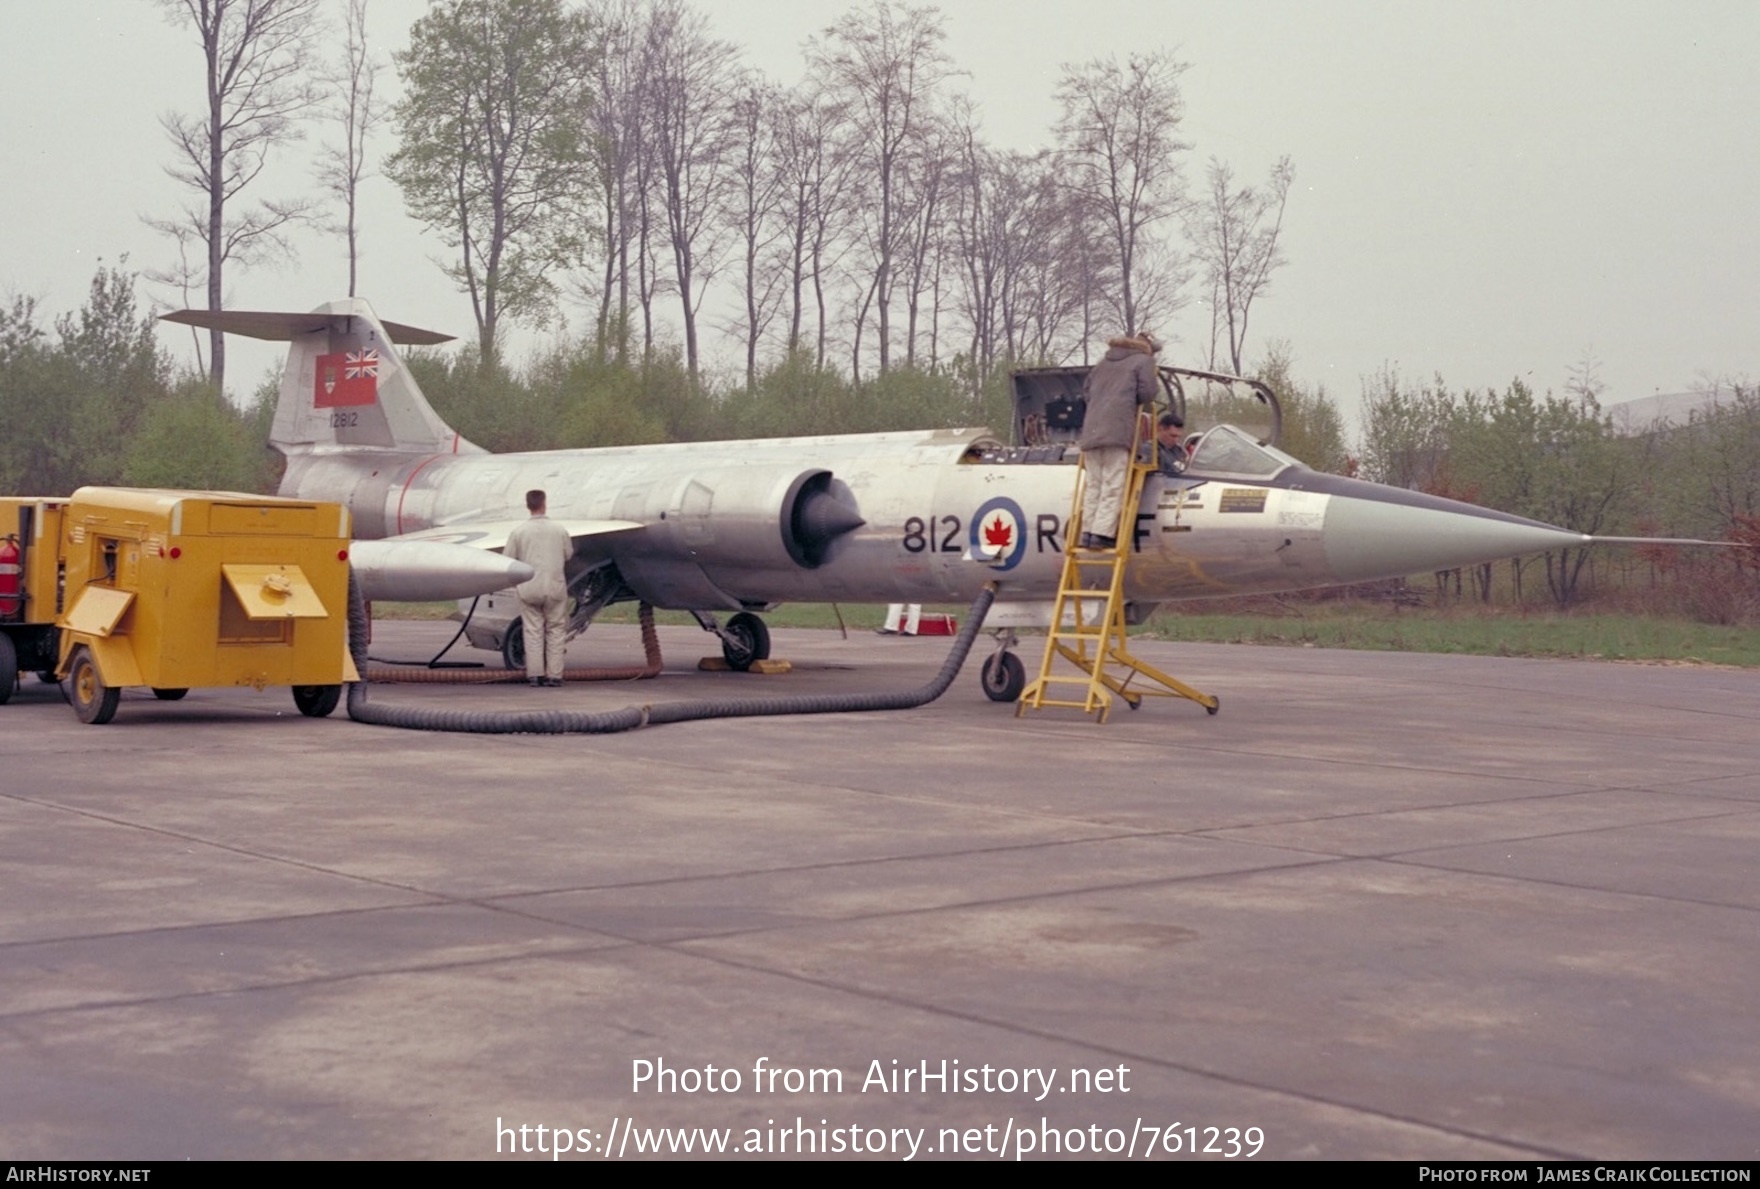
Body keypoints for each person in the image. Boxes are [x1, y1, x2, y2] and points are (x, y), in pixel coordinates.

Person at [1078, 331, 1161, 548]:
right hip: (1118, 431)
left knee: (1094, 484)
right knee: (1113, 483)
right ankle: (1101, 534)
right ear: (1149, 348)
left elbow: (1086, 392)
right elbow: (1147, 393)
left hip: (1091, 432)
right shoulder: (1144, 361)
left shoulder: (1103, 362)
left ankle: (1085, 532)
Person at [503, 489, 574, 687]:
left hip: (529, 587)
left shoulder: (518, 532)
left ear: (528, 506)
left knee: (533, 629)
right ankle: (555, 675)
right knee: (556, 629)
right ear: (544, 503)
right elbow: (568, 554)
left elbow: (508, 558)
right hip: (554, 586)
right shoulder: (559, 529)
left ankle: (535, 674)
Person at [1155, 410, 1187, 476]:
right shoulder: (1151, 451)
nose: (1176, 440)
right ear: (1161, 429)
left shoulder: (1180, 450)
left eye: (1178, 437)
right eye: (1173, 436)